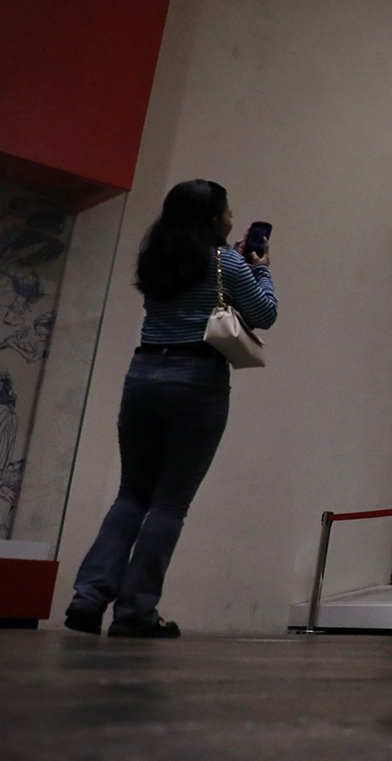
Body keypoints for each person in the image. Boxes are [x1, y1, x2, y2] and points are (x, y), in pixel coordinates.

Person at [65, 180, 277, 638]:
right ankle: (135, 612)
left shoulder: (156, 257)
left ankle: (88, 597)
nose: (232, 218)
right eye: (228, 211)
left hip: (143, 373)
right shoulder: (225, 261)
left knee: (131, 493)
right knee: (170, 502)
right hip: (197, 379)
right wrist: (260, 269)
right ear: (213, 218)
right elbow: (265, 313)